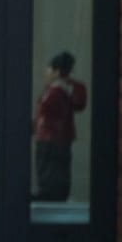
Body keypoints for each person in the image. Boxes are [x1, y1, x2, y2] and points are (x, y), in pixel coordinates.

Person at [33, 50, 87, 201]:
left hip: (48, 141)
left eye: (49, 69)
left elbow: (42, 115)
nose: (46, 72)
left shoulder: (54, 92)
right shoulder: (69, 89)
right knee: (59, 179)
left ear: (56, 71)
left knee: (48, 181)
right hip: (63, 141)